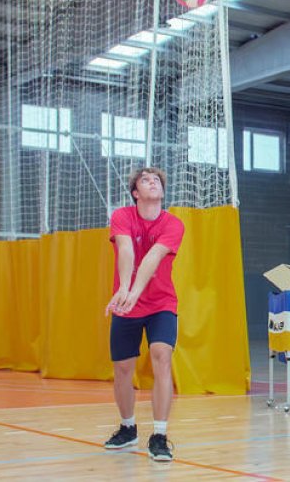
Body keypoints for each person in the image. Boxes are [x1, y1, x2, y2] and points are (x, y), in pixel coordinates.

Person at [102, 167, 186, 463]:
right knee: (123, 368)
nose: (153, 182)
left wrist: (134, 292)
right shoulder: (122, 216)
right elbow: (126, 250)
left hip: (161, 303)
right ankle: (128, 428)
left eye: (157, 180)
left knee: (161, 356)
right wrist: (125, 290)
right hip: (126, 304)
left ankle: (160, 435)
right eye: (146, 179)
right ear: (136, 192)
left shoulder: (173, 224)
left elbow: (151, 258)